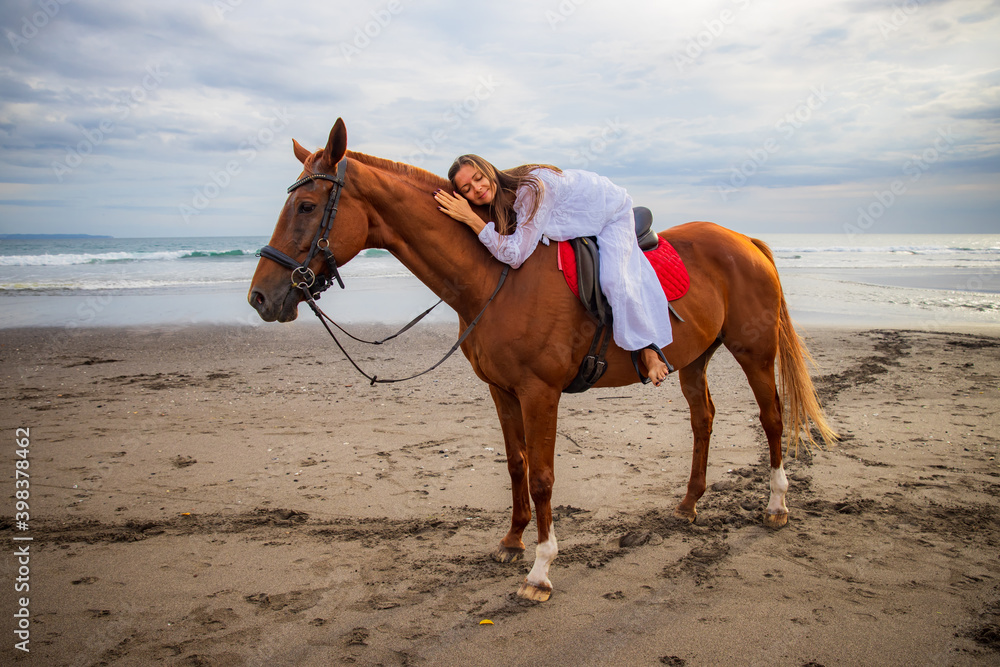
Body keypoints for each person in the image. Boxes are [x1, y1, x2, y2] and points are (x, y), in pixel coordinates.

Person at [433, 154, 673, 386]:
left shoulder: (532, 188)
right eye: (466, 189)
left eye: (478, 178)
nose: (476, 188)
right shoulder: (505, 195)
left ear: (489, 170)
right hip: (575, 219)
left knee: (614, 281)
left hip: (610, 213)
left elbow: (515, 255)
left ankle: (648, 349)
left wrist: (471, 219)